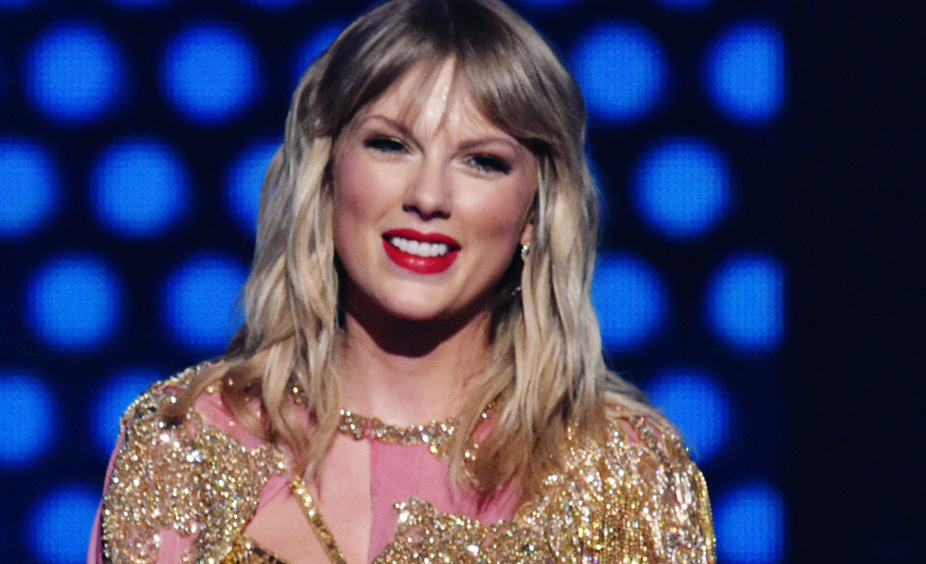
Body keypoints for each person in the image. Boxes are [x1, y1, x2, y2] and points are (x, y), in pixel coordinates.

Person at [89, 0, 716, 562]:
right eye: (391, 145)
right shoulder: (187, 438)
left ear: (534, 213)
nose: (429, 196)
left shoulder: (622, 471)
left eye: (482, 161)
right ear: (328, 175)